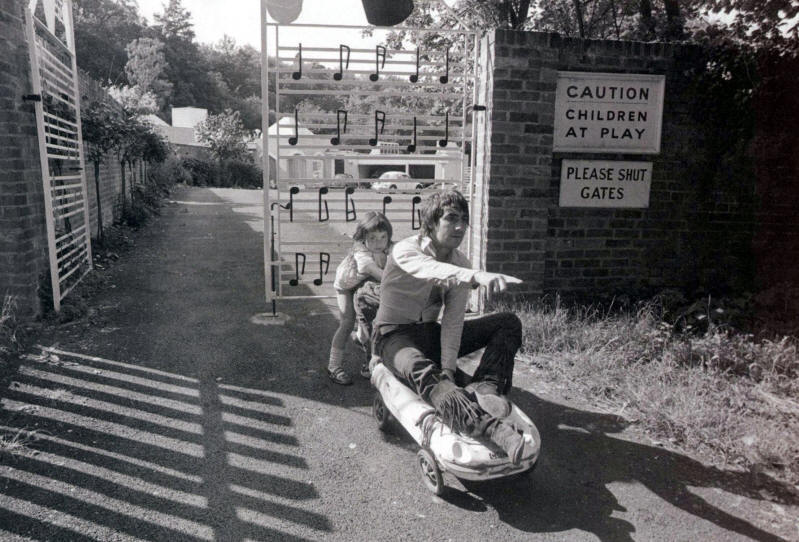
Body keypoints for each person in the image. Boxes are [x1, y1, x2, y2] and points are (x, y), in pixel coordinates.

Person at [372, 189, 527, 463]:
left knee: (507, 322)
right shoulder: (406, 250)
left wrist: (449, 370)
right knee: (423, 371)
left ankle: (485, 387)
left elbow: (453, 322)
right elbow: (430, 269)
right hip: (393, 335)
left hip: (429, 333)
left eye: (464, 220)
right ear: (431, 223)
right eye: (451, 219)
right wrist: (476, 275)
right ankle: (492, 429)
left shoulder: (460, 263)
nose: (460, 227)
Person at [327, 211, 393, 385]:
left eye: (383, 237)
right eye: (372, 238)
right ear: (363, 238)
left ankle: (367, 361)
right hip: (346, 287)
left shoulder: (388, 248)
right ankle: (333, 367)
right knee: (347, 322)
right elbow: (383, 276)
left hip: (364, 285)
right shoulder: (362, 256)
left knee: (370, 321)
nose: (378, 243)